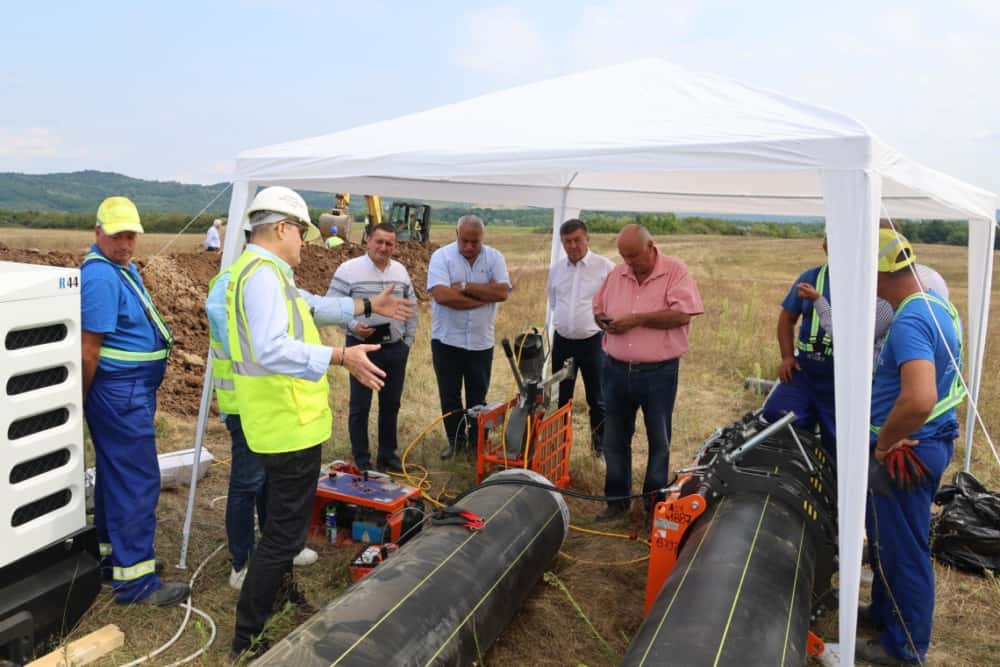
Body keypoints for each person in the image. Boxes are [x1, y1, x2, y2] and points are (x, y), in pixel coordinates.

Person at [218, 186, 412, 659]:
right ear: (282, 228)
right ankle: (248, 637)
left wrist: (369, 306)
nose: (306, 242)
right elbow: (271, 348)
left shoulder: (260, 271)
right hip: (286, 424)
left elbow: (310, 304)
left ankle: (281, 597)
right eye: (302, 232)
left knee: (282, 527)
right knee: (283, 535)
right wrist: (341, 356)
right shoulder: (262, 277)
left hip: (284, 422)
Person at [857, 229, 964, 666]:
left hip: (907, 450)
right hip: (926, 441)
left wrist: (884, 443)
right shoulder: (936, 305)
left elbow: (919, 399)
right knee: (887, 541)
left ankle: (904, 649)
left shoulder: (909, 321)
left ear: (878, 272)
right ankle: (884, 614)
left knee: (904, 550)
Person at [81, 196, 190, 606]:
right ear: (98, 233)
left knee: (117, 475)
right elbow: (88, 351)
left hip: (129, 390)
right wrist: (82, 399)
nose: (126, 243)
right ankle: (137, 582)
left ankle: (114, 560)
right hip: (120, 392)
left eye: (131, 235)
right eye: (117, 236)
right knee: (137, 479)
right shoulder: (101, 276)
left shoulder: (119, 268)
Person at [592, 224, 703, 521]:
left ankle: (654, 505)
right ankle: (617, 502)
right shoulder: (617, 274)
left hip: (658, 373)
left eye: (633, 256)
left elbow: (682, 314)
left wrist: (636, 320)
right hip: (615, 370)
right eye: (623, 256)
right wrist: (602, 320)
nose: (628, 262)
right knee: (615, 438)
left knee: (658, 440)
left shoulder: (675, 271)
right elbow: (598, 307)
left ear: (651, 247)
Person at [327, 223, 418, 472]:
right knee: (360, 406)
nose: (384, 247)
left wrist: (407, 341)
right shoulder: (348, 270)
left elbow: (412, 306)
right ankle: (362, 460)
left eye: (389, 243)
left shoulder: (400, 271)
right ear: (367, 240)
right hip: (361, 349)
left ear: (395, 246)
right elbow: (331, 306)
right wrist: (354, 326)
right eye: (379, 241)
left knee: (391, 404)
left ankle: (388, 456)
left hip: (395, 349)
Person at [427, 215, 511, 460]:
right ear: (456, 234)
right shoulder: (441, 257)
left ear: (482, 238)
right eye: (465, 241)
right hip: (446, 341)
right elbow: (442, 296)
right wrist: (483, 297)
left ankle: (477, 444)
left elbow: (502, 292)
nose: (470, 246)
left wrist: (465, 287)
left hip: (480, 342)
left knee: (478, 397)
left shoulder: (494, 257)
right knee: (450, 396)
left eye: (475, 242)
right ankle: (455, 443)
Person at [761, 238, 837, 460]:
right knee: (778, 415)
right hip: (805, 368)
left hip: (839, 376)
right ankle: (798, 465)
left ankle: (831, 475)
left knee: (837, 438)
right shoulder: (811, 278)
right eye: (829, 242)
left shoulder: (867, 282)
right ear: (825, 246)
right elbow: (787, 319)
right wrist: (787, 357)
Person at [547, 218, 615, 456]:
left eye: (577, 240)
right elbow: (554, 302)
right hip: (562, 342)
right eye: (567, 241)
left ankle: (599, 449)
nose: (572, 246)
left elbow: (614, 303)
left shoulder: (605, 267)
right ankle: (559, 449)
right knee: (562, 398)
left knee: (597, 398)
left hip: (593, 343)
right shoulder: (556, 270)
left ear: (587, 238)